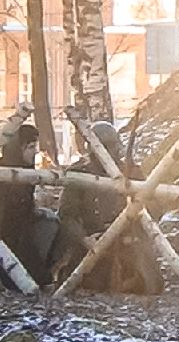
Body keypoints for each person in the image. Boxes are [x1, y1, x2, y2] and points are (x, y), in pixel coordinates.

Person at [56, 122, 162, 295]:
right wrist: (85, 239)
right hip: (93, 241)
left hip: (125, 241)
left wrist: (135, 218)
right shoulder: (79, 174)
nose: (113, 151)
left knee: (149, 282)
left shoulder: (131, 172)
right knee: (90, 282)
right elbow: (67, 215)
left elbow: (154, 208)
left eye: (114, 146)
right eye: (107, 147)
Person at [0, 123, 53, 289]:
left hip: (22, 229)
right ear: (18, 148)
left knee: (51, 222)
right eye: (30, 147)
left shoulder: (27, 171)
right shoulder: (4, 172)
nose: (35, 152)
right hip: (6, 234)